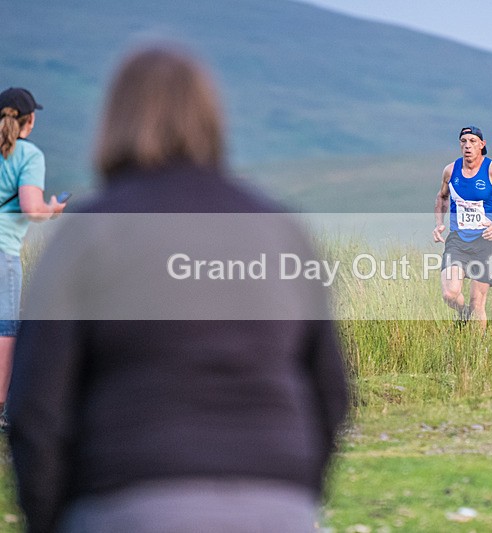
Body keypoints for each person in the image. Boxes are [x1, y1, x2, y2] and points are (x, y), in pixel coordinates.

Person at [7, 46, 349, 533]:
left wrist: (49, 517)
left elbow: (35, 406)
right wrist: (293, 495)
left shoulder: (88, 233)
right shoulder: (280, 227)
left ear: (114, 121)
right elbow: (331, 393)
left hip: (129, 496)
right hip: (278, 500)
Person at [0, 87, 66, 431]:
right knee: (6, 332)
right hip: (3, 251)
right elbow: (30, 207)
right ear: (31, 121)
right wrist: (51, 209)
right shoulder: (29, 156)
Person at [433, 126, 492, 331]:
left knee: (478, 303)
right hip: (457, 240)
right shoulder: (451, 170)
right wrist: (439, 223)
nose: (467, 146)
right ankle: (463, 313)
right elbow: (442, 197)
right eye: (464, 141)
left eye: (473, 141)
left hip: (485, 242)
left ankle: (479, 352)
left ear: (482, 145)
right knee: (449, 293)